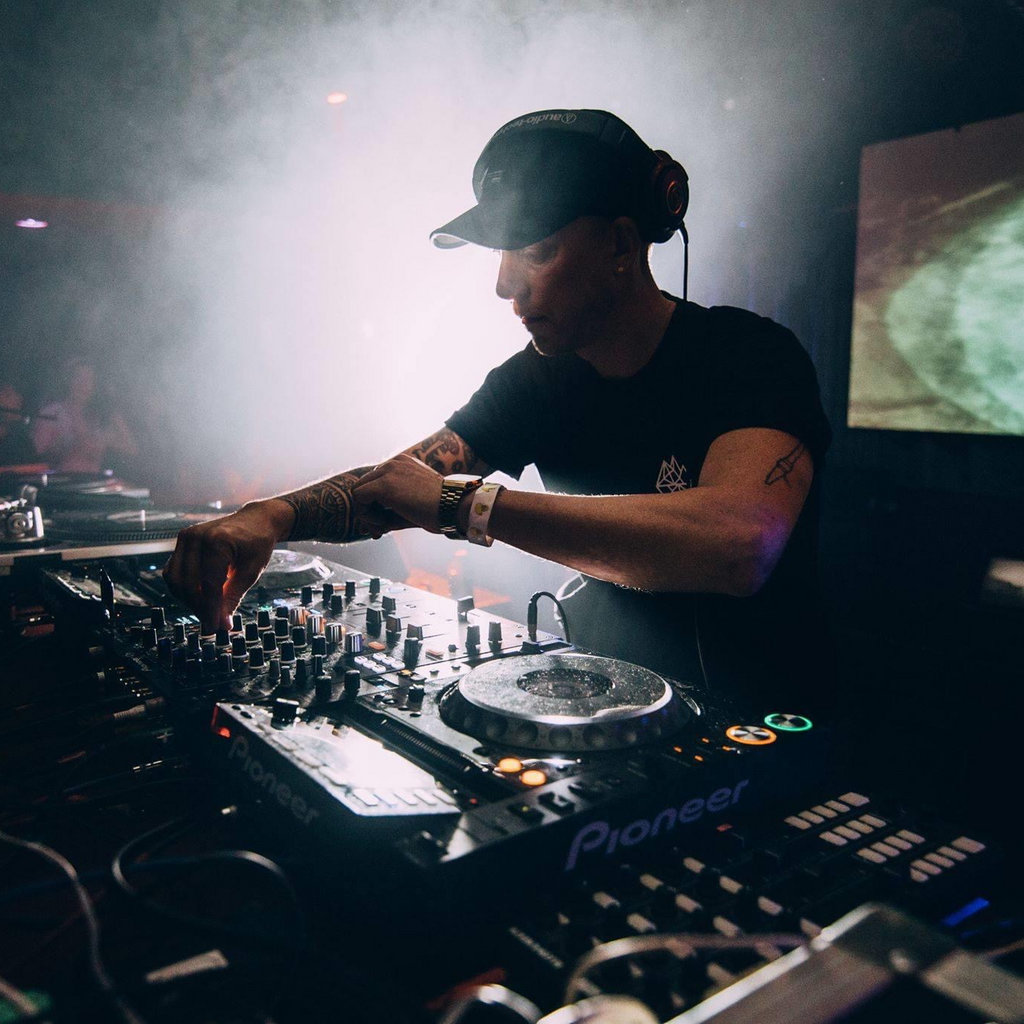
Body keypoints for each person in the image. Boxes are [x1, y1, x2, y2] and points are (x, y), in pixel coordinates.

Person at [163, 109, 832, 714]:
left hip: (765, 729)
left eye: (536, 251)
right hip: (603, 707)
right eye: (502, 255)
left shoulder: (750, 355)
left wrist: (469, 506)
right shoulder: (534, 380)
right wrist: (271, 517)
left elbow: (739, 546)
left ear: (622, 247)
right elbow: (404, 483)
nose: (505, 284)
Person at [31, 359, 138, 473]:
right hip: (61, 481)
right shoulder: (52, 413)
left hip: (93, 481)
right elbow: (36, 456)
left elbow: (131, 449)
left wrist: (115, 416)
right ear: (69, 381)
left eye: (89, 380)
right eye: (79, 378)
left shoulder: (97, 417)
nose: (83, 384)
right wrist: (59, 449)